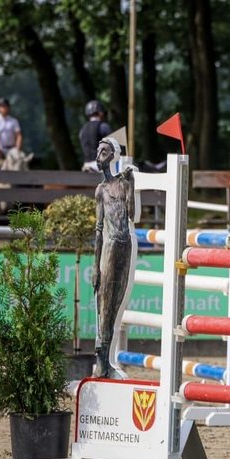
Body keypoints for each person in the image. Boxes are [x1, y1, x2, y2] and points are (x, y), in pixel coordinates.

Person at [93, 137, 136, 379]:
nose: (100, 155)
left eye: (104, 151)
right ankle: (102, 356)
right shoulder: (100, 190)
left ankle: (107, 355)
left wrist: (129, 183)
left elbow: (131, 213)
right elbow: (98, 230)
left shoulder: (123, 183)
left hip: (125, 245)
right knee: (105, 303)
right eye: (99, 151)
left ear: (113, 156)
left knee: (118, 299)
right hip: (109, 247)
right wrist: (95, 266)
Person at [0, 97, 22, 170]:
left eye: (6, 106)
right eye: (2, 106)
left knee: (20, 163)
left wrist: (17, 148)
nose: (4, 108)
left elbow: (18, 135)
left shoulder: (14, 121)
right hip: (0, 148)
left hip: (12, 149)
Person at [79, 99, 112, 172]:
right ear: (101, 113)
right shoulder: (104, 127)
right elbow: (112, 147)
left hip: (86, 165)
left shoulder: (82, 130)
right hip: (100, 166)